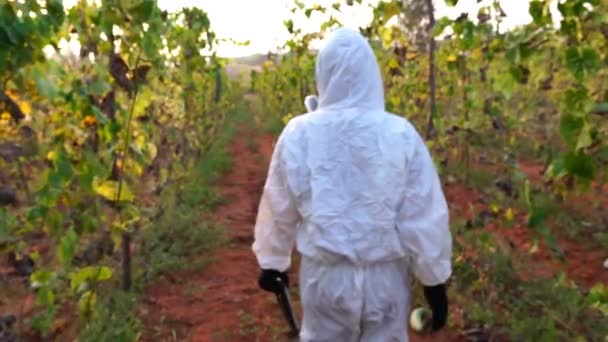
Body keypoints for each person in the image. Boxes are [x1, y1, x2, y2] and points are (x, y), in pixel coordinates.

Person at [251, 27, 452, 341]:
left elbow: (279, 203)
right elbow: (423, 214)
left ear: (323, 73)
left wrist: (272, 261)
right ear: (372, 75)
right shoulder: (400, 134)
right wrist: (434, 280)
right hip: (386, 283)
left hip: (325, 281)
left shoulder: (299, 133)